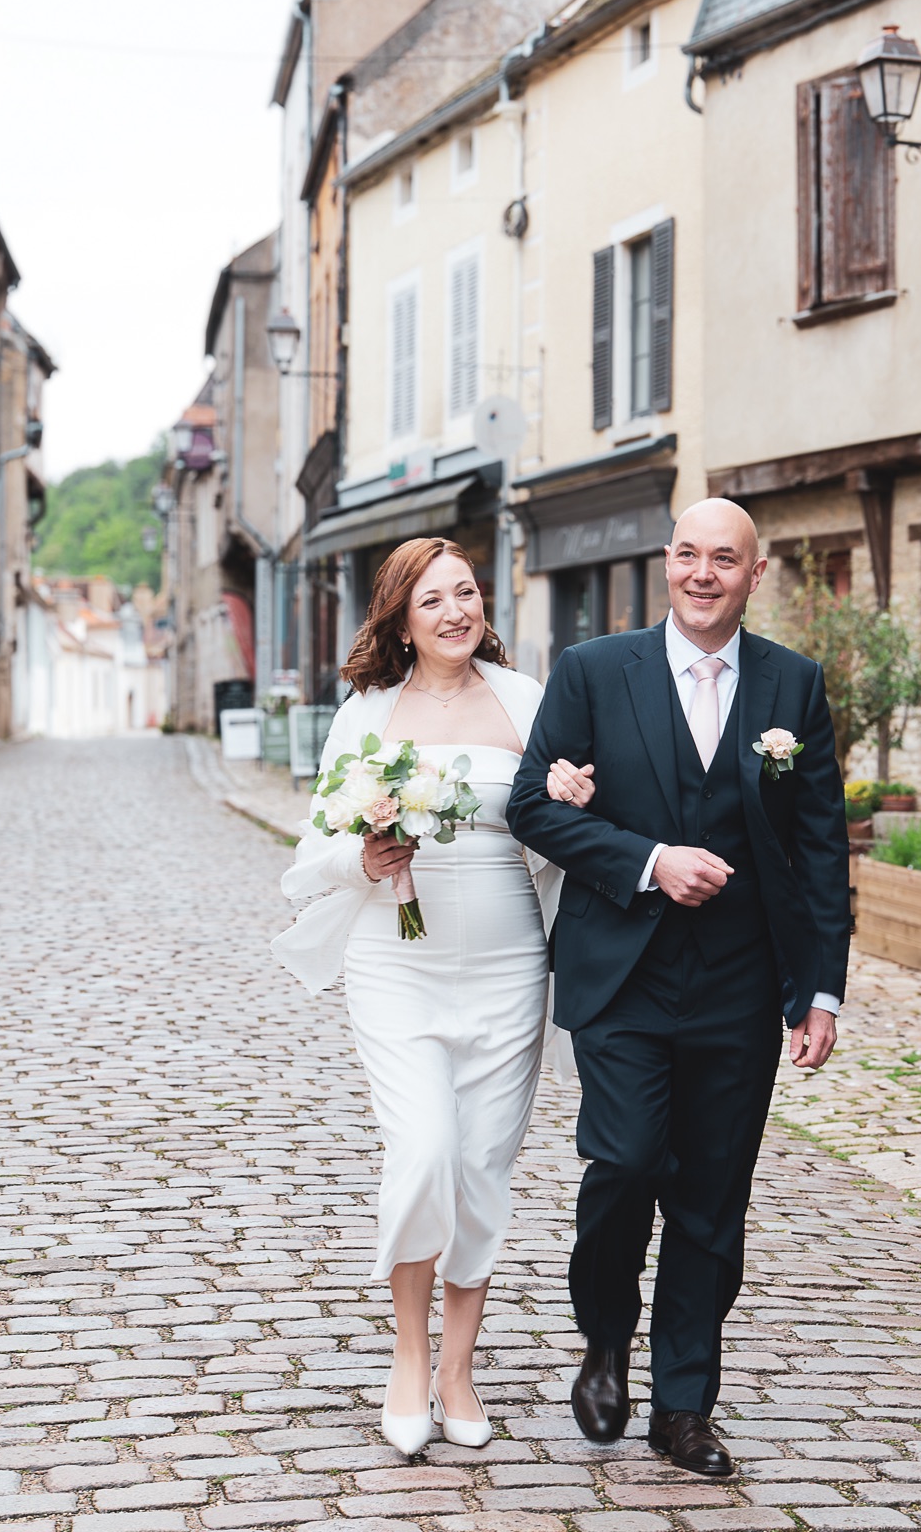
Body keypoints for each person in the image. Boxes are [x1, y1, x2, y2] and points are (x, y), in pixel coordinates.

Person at [507, 498, 850, 1480]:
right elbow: (533, 805)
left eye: (724, 559)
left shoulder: (793, 682)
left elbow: (819, 846)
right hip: (622, 974)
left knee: (710, 1197)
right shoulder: (591, 670)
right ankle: (604, 1338)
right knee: (622, 1162)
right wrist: (650, 860)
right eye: (689, 554)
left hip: (740, 983)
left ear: (754, 573)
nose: (704, 573)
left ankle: (683, 1405)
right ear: (667, 561)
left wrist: (819, 990)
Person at [272, 537, 573, 1457]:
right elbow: (314, 849)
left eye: (467, 593)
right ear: (401, 620)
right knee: (424, 1152)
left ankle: (457, 1370)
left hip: (509, 963)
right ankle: (408, 1355)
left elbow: (562, 833)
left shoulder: (526, 701)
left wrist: (572, 799)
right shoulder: (367, 712)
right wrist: (361, 857)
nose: (455, 612)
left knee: (480, 1168)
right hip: (395, 964)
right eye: (432, 600)